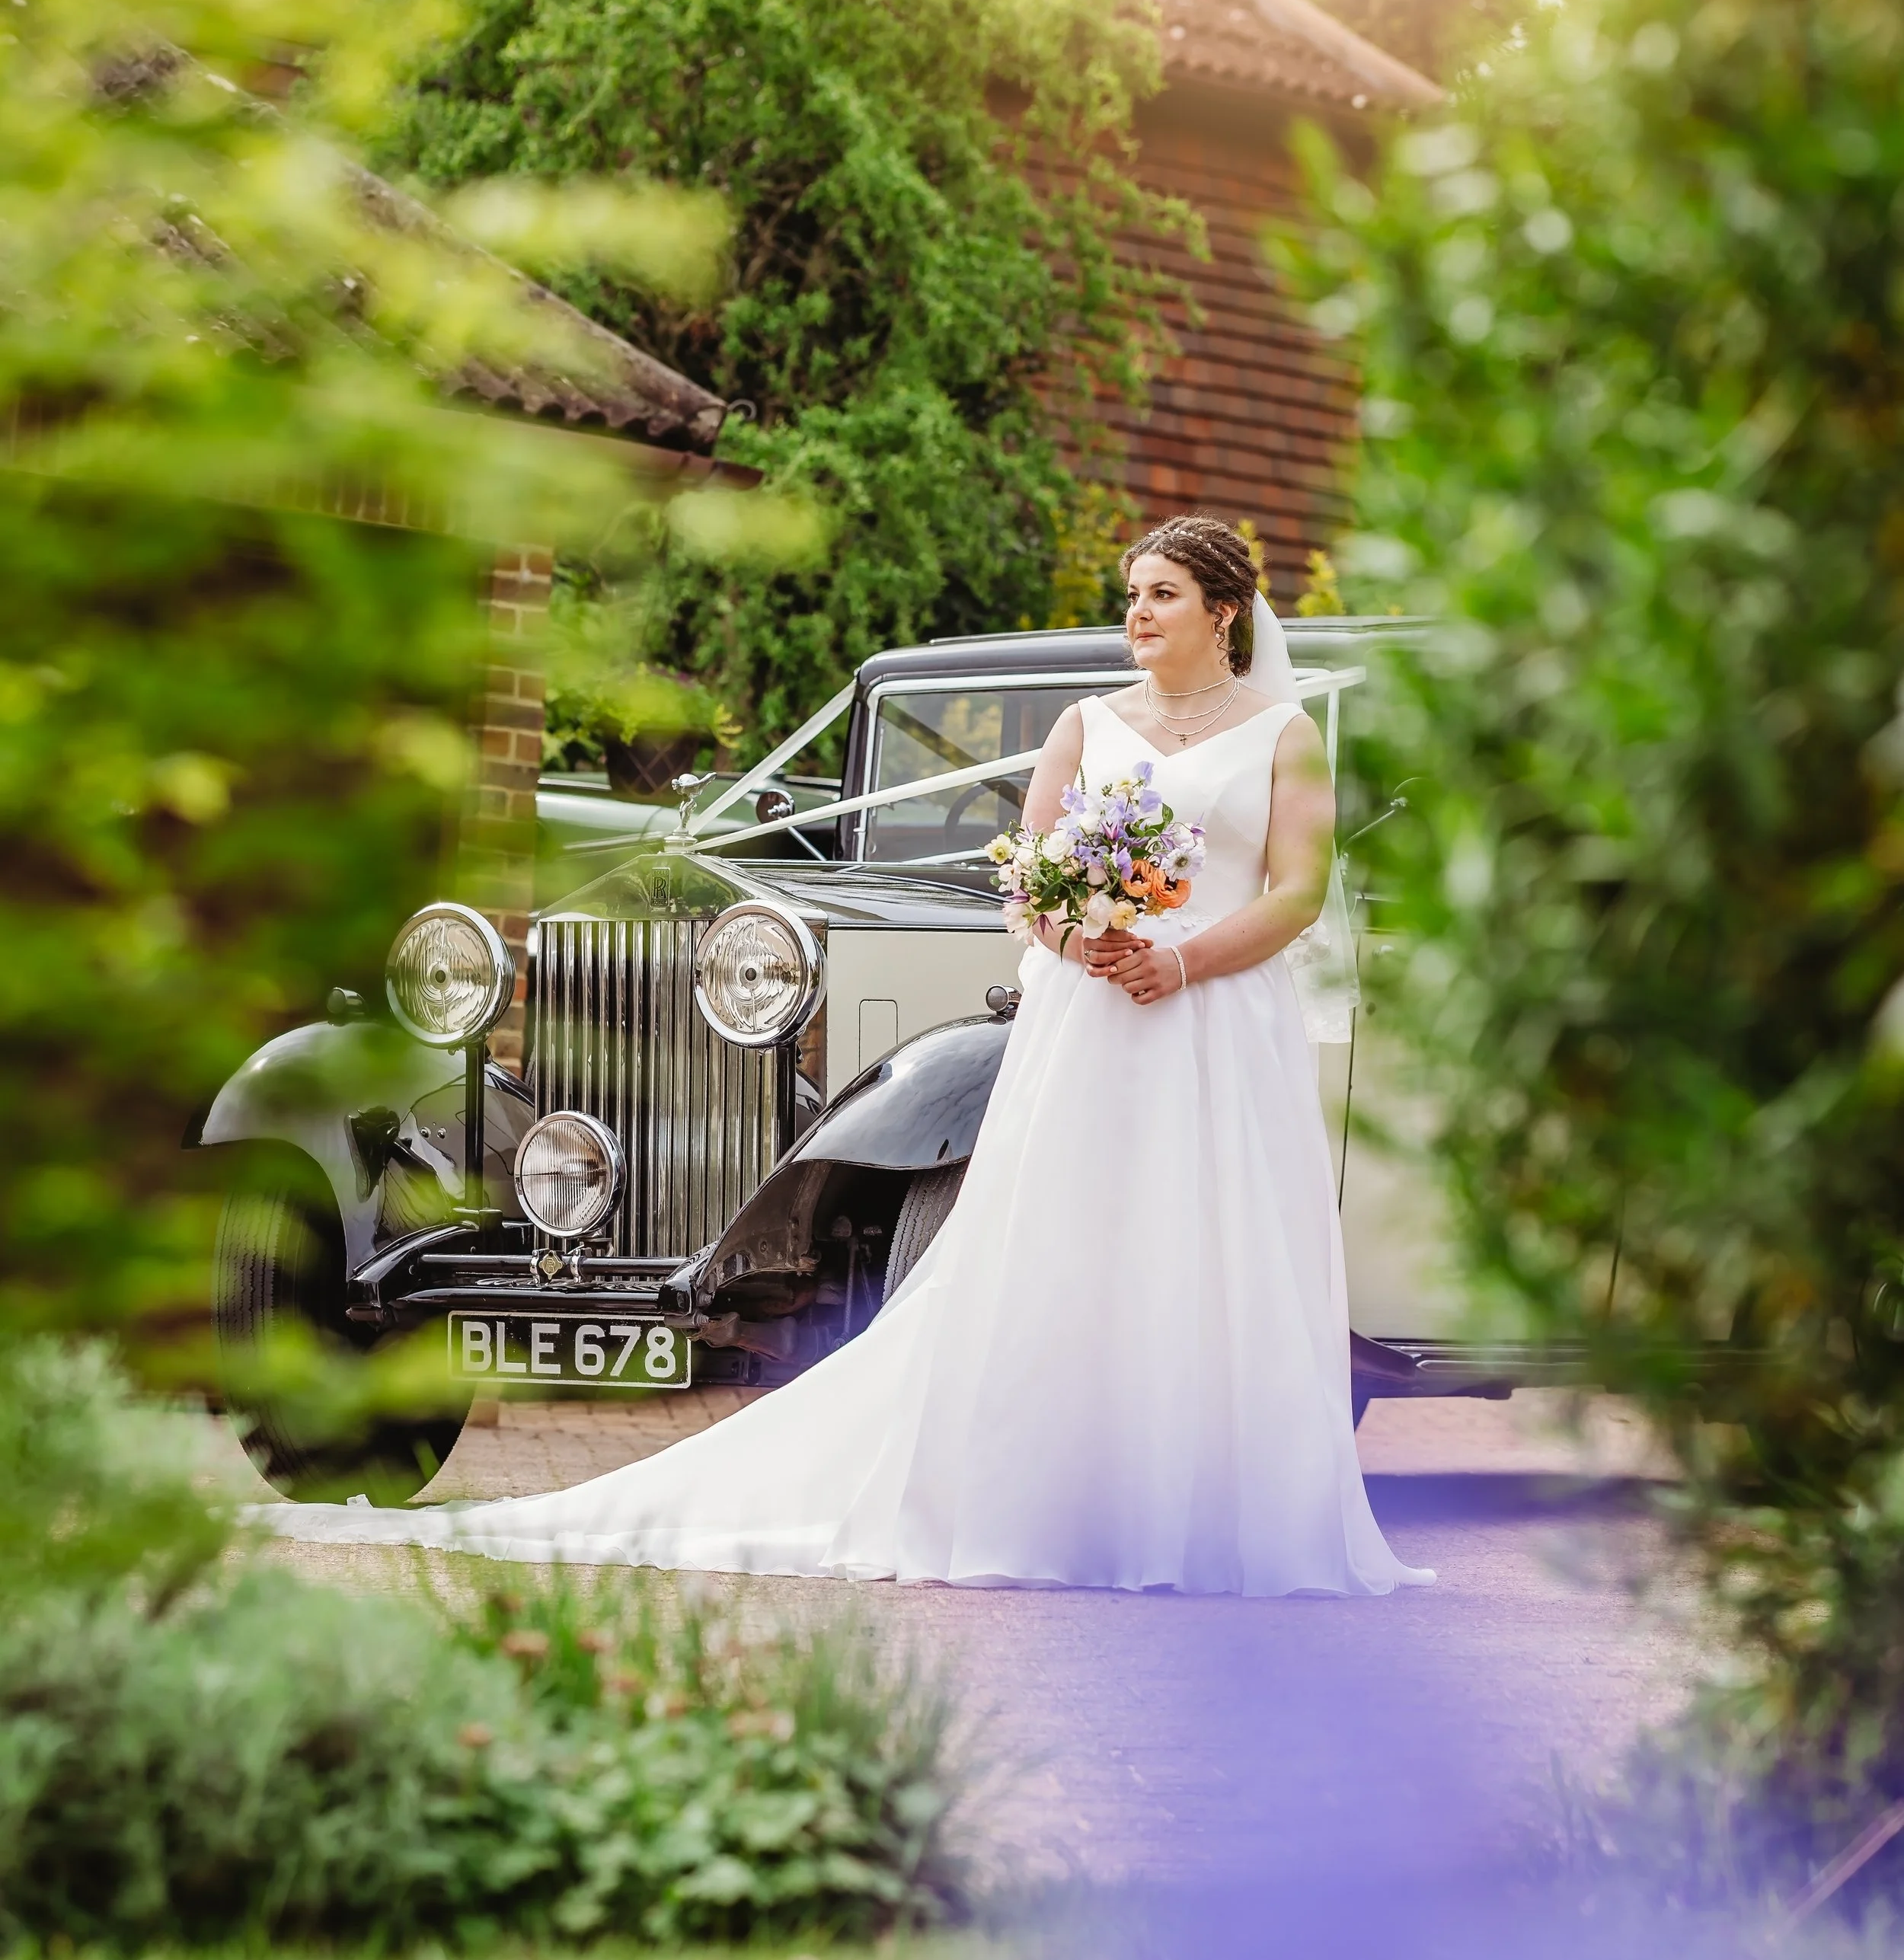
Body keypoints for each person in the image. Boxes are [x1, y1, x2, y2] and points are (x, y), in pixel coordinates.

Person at [267, 517, 1428, 1594]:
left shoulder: (1283, 736)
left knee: (1210, 1244)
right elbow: (1026, 874)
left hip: (1214, 1017)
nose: (1137, 614)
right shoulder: (1090, 723)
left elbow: (1297, 893)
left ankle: (1210, 1508)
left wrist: (1177, 962)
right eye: (1131, 594)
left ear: (1224, 612)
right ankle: (1051, 1498)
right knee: (1063, 1244)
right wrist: (1079, 929)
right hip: (1095, 1015)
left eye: (1161, 596)